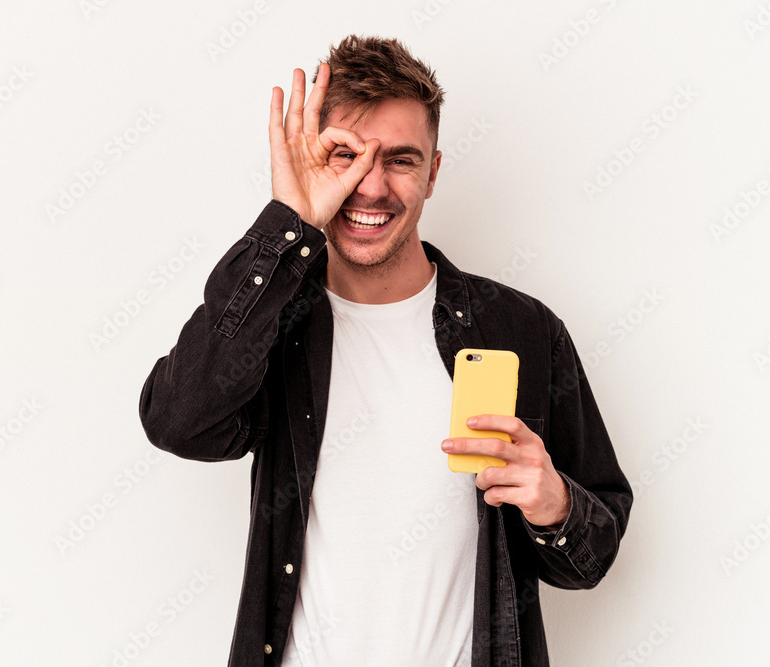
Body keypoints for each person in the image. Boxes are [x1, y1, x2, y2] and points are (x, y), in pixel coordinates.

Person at [139, 34, 632, 667]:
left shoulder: (522, 331)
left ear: (433, 171)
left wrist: (555, 504)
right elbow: (178, 422)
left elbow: (593, 557)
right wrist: (286, 224)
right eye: (344, 156)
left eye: (399, 159)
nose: (370, 187)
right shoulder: (275, 326)